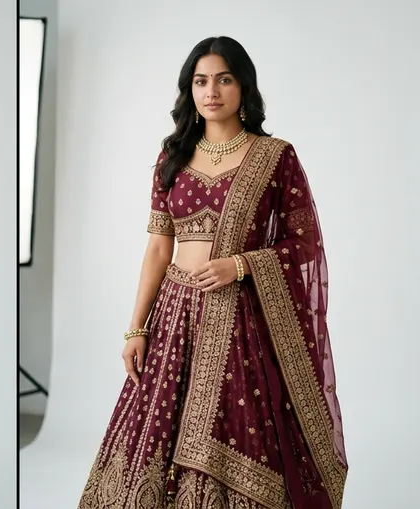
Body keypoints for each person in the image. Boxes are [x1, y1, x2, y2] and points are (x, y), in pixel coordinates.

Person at [78, 36, 348, 508]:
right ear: (189, 89)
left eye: (223, 79)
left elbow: (304, 243)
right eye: (201, 81)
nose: (212, 91)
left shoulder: (274, 156)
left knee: (240, 430)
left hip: (242, 321)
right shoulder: (173, 156)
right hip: (174, 319)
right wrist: (136, 328)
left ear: (243, 85)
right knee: (156, 435)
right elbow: (159, 250)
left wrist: (241, 264)